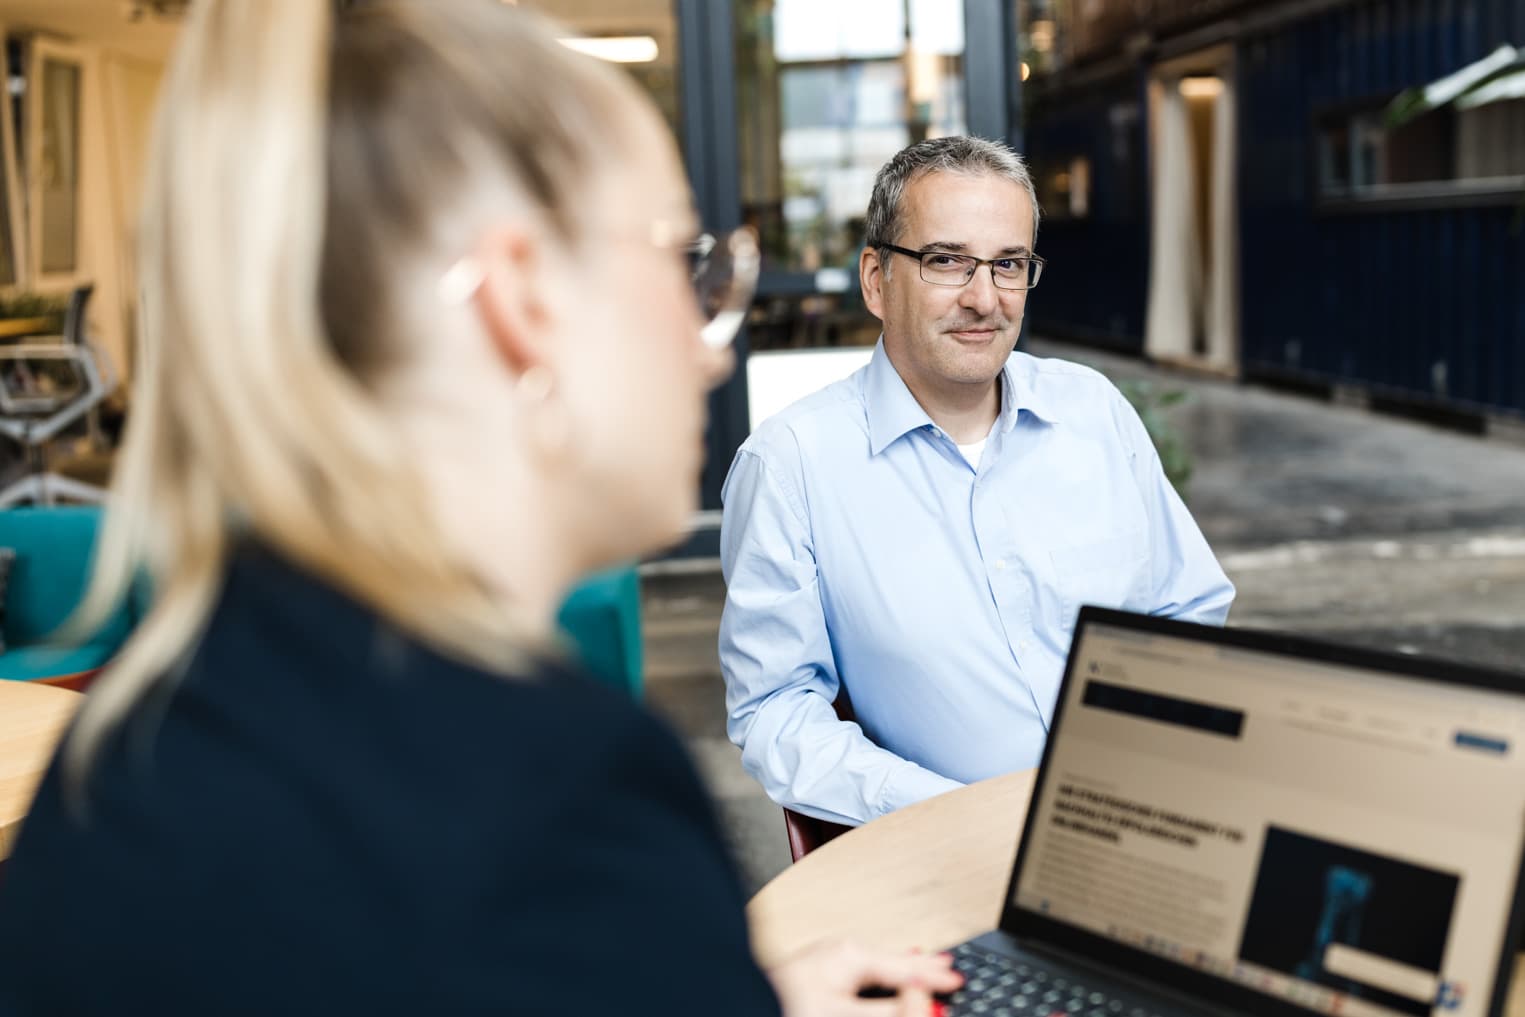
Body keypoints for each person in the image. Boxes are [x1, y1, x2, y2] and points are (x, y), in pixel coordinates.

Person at [0, 3, 961, 1015]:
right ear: (522, 300)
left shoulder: (132, 744)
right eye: (683, 259)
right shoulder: (565, 798)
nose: (709, 346)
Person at [719, 136, 1235, 827]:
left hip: (1139, 813)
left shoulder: (1093, 412)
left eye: (1008, 264)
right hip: (950, 849)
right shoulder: (790, 466)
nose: (984, 298)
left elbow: (1188, 608)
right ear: (875, 279)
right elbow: (776, 711)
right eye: (945, 261)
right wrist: (955, 814)